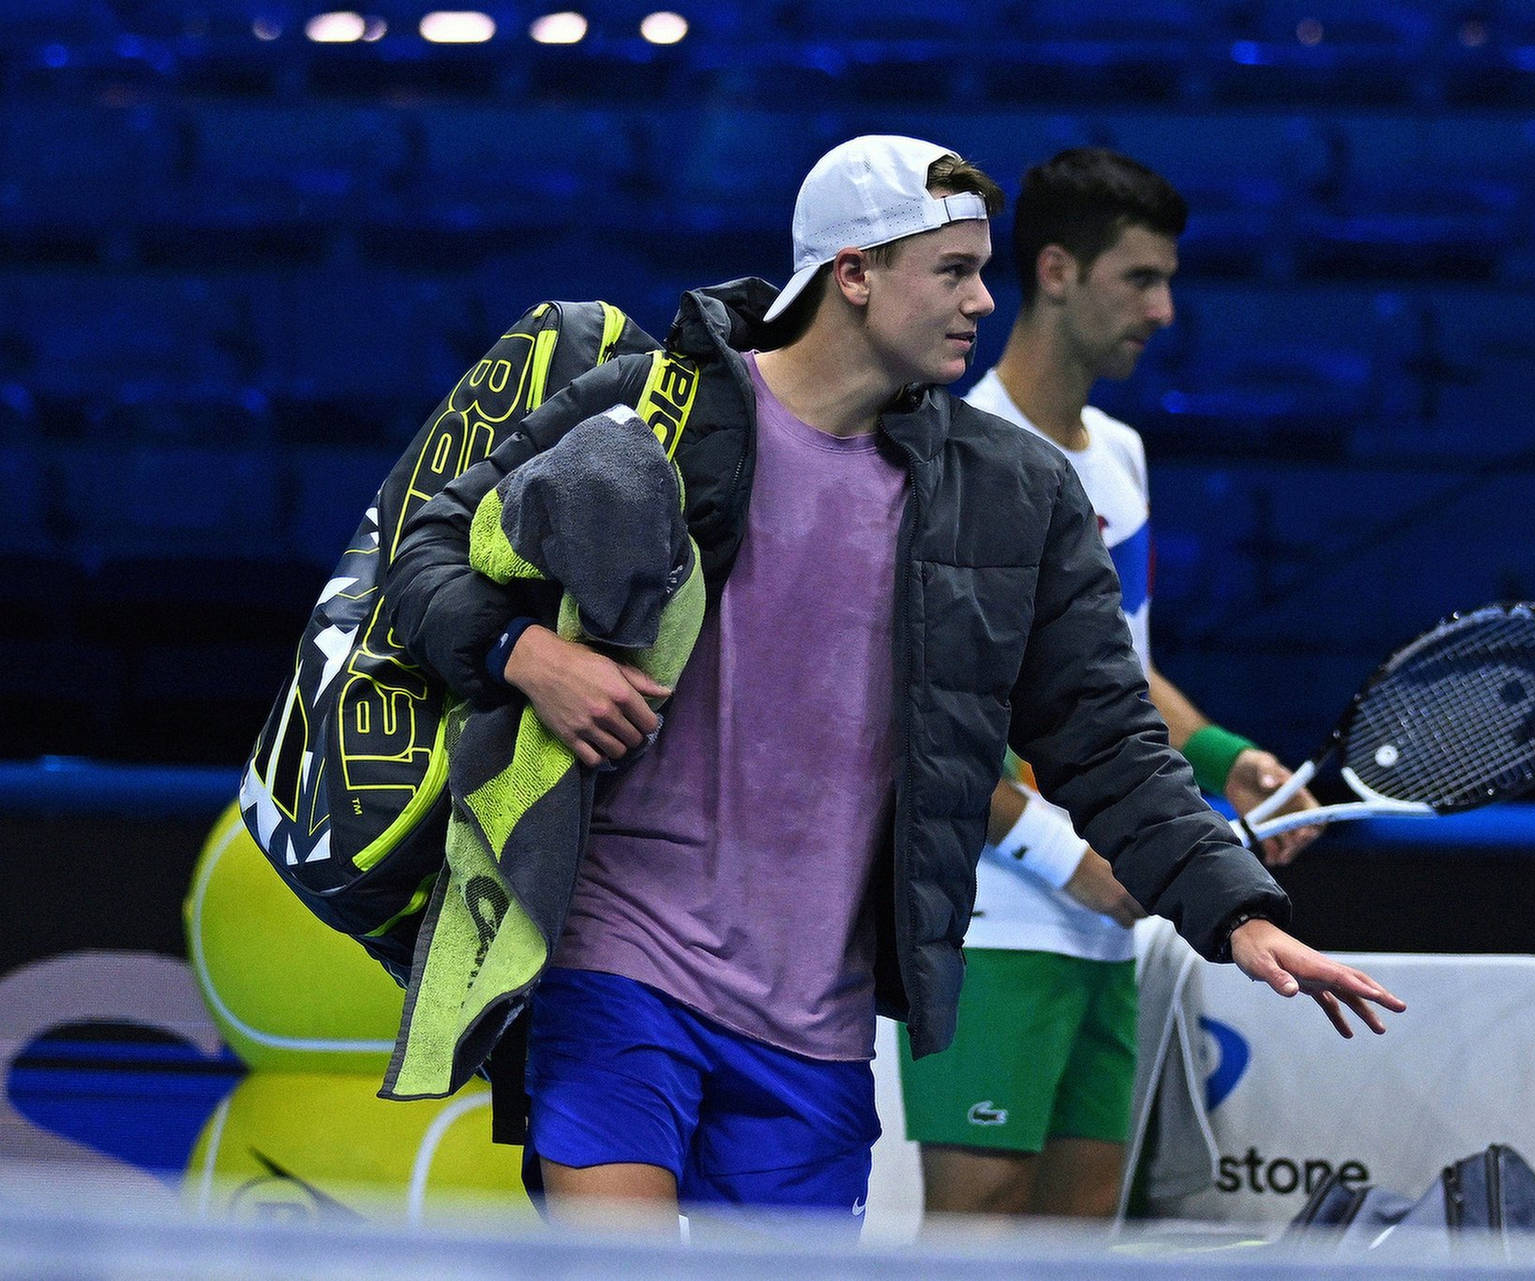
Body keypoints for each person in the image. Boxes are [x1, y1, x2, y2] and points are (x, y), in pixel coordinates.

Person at [385, 134, 1403, 1235]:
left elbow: (1105, 737)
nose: (981, 298)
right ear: (854, 273)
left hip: (816, 1024)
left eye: (982, 268)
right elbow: (422, 552)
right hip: (616, 961)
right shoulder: (652, 413)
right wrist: (524, 655)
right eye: (953, 271)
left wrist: (1238, 913)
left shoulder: (1018, 494)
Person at [897, 147, 1328, 1222]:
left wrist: (1226, 760)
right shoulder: (955, 452)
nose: (1165, 308)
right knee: (976, 1240)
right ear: (1054, 270)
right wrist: (1073, 855)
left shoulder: (1123, 456)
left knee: (1080, 1240)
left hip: (1105, 920)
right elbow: (925, 715)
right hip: (988, 918)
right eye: (1140, 278)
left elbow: (1110, 671)